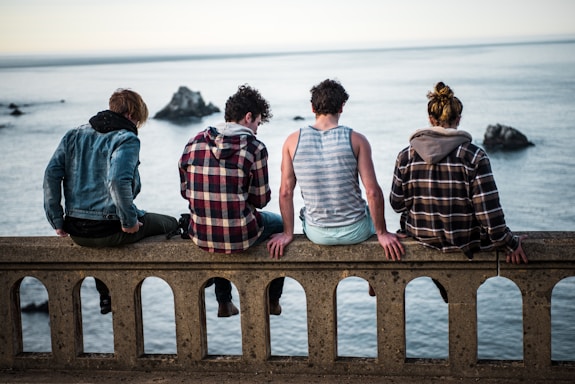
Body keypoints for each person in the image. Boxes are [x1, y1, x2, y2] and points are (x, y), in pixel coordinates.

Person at [43, 88, 179, 315]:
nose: (136, 124)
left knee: (102, 237)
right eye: (137, 119)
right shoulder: (126, 138)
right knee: (170, 223)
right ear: (131, 114)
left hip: (76, 230)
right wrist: (129, 221)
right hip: (109, 228)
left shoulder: (73, 134)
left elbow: (51, 175)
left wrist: (57, 220)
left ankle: (105, 294)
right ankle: (119, 292)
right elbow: (117, 181)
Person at [267, 79, 405, 278]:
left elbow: (285, 192)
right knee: (367, 209)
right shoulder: (356, 139)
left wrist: (288, 233)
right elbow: (372, 192)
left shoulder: (292, 141)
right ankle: (373, 279)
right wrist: (382, 233)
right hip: (356, 231)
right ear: (342, 107)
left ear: (312, 107)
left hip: (317, 234)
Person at [389, 81, 527, 265]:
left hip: (421, 238)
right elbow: (489, 213)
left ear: (430, 119)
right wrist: (511, 243)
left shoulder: (406, 155)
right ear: (458, 119)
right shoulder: (474, 156)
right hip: (466, 241)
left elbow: (397, 204)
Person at [178, 84, 285, 317]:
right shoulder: (254, 147)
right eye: (257, 123)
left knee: (214, 219)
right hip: (241, 236)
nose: (257, 130)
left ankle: (224, 302)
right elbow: (261, 199)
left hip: (200, 233)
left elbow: (185, 190)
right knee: (281, 226)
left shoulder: (194, 141)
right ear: (248, 117)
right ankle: (272, 300)